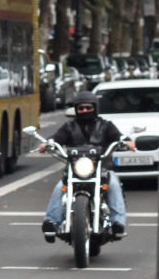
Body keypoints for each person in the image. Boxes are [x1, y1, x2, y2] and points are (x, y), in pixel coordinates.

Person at [38, 90, 129, 242]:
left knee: (113, 184)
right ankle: (52, 222)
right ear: (76, 110)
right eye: (81, 108)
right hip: (75, 171)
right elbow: (56, 138)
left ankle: (117, 223)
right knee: (60, 187)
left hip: (102, 170)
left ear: (95, 108)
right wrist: (47, 144)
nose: (85, 111)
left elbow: (119, 137)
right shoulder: (69, 127)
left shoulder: (106, 125)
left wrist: (126, 142)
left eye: (88, 107)